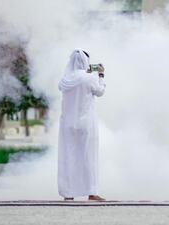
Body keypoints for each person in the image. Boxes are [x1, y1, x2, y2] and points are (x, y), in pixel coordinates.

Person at [58, 48, 106, 201]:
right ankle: (92, 192)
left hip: (67, 124)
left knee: (68, 157)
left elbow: (62, 89)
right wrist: (101, 75)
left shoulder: (64, 80)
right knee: (88, 157)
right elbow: (100, 92)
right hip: (86, 123)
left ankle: (68, 193)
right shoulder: (89, 78)